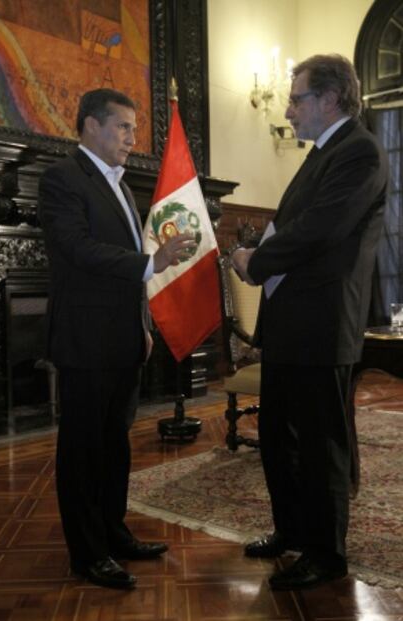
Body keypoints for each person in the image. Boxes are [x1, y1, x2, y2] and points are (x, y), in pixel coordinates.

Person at [232, 54, 388, 591]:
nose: (289, 110)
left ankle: (327, 553)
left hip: (323, 322)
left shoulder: (359, 151)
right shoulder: (322, 153)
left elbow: (321, 230)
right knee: (279, 436)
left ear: (329, 99)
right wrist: (256, 248)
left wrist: (258, 262)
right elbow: (290, 225)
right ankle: (292, 531)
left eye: (296, 99)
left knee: (321, 445)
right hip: (291, 322)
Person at [38, 88, 195, 590]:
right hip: (85, 341)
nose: (133, 138)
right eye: (123, 127)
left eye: (133, 128)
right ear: (90, 126)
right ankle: (87, 554)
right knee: (83, 450)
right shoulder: (62, 179)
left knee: (115, 446)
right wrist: (153, 262)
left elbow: (128, 271)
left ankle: (114, 532)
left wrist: (143, 325)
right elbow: (78, 250)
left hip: (124, 338)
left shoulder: (123, 187)